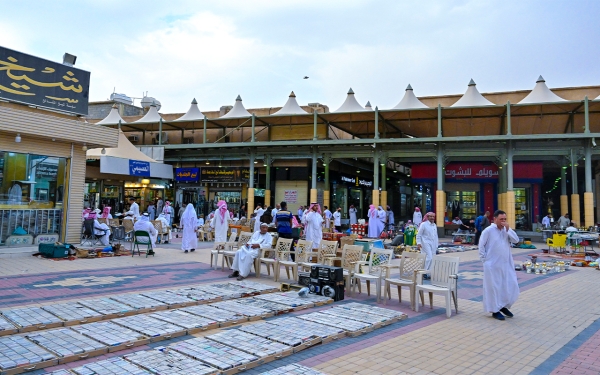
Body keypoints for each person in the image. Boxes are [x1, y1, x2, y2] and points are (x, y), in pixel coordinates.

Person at [478, 210, 520, 321]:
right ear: (495, 219)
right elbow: (481, 246)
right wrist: (485, 261)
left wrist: (508, 229)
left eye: (505, 219)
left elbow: (516, 240)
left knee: (508, 285)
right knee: (493, 287)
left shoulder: (506, 230)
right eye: (501, 219)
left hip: (505, 264)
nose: (503, 221)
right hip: (492, 264)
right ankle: (494, 310)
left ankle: (503, 306)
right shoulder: (488, 231)